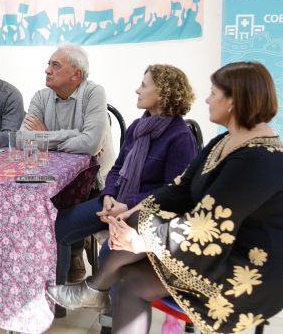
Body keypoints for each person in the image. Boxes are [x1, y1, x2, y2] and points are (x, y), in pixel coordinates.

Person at [47, 61, 283, 334]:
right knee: (132, 277)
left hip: (246, 268)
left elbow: (209, 225)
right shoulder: (223, 142)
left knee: (131, 246)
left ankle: (93, 289)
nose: (207, 100)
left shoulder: (259, 158)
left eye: (213, 93)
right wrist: (131, 211)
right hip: (213, 249)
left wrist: (141, 241)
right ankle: (94, 290)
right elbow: (179, 188)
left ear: (234, 100)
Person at [53, 65, 198, 327]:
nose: (137, 90)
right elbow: (118, 168)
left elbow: (173, 193)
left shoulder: (180, 137)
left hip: (145, 211)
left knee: (112, 250)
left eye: (144, 85)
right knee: (59, 228)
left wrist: (127, 205)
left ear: (163, 92)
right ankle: (56, 305)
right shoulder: (138, 126)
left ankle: (110, 321)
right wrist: (109, 194)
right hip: (115, 201)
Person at [17, 42, 116, 286]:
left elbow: (90, 145)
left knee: (68, 196)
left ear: (76, 74)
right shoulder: (41, 96)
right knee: (24, 198)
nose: (47, 70)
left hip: (94, 181)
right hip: (50, 177)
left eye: (55, 65)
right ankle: (34, 266)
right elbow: (21, 140)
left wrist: (45, 137)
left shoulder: (94, 93)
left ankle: (71, 254)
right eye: (48, 64)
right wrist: (73, 135)